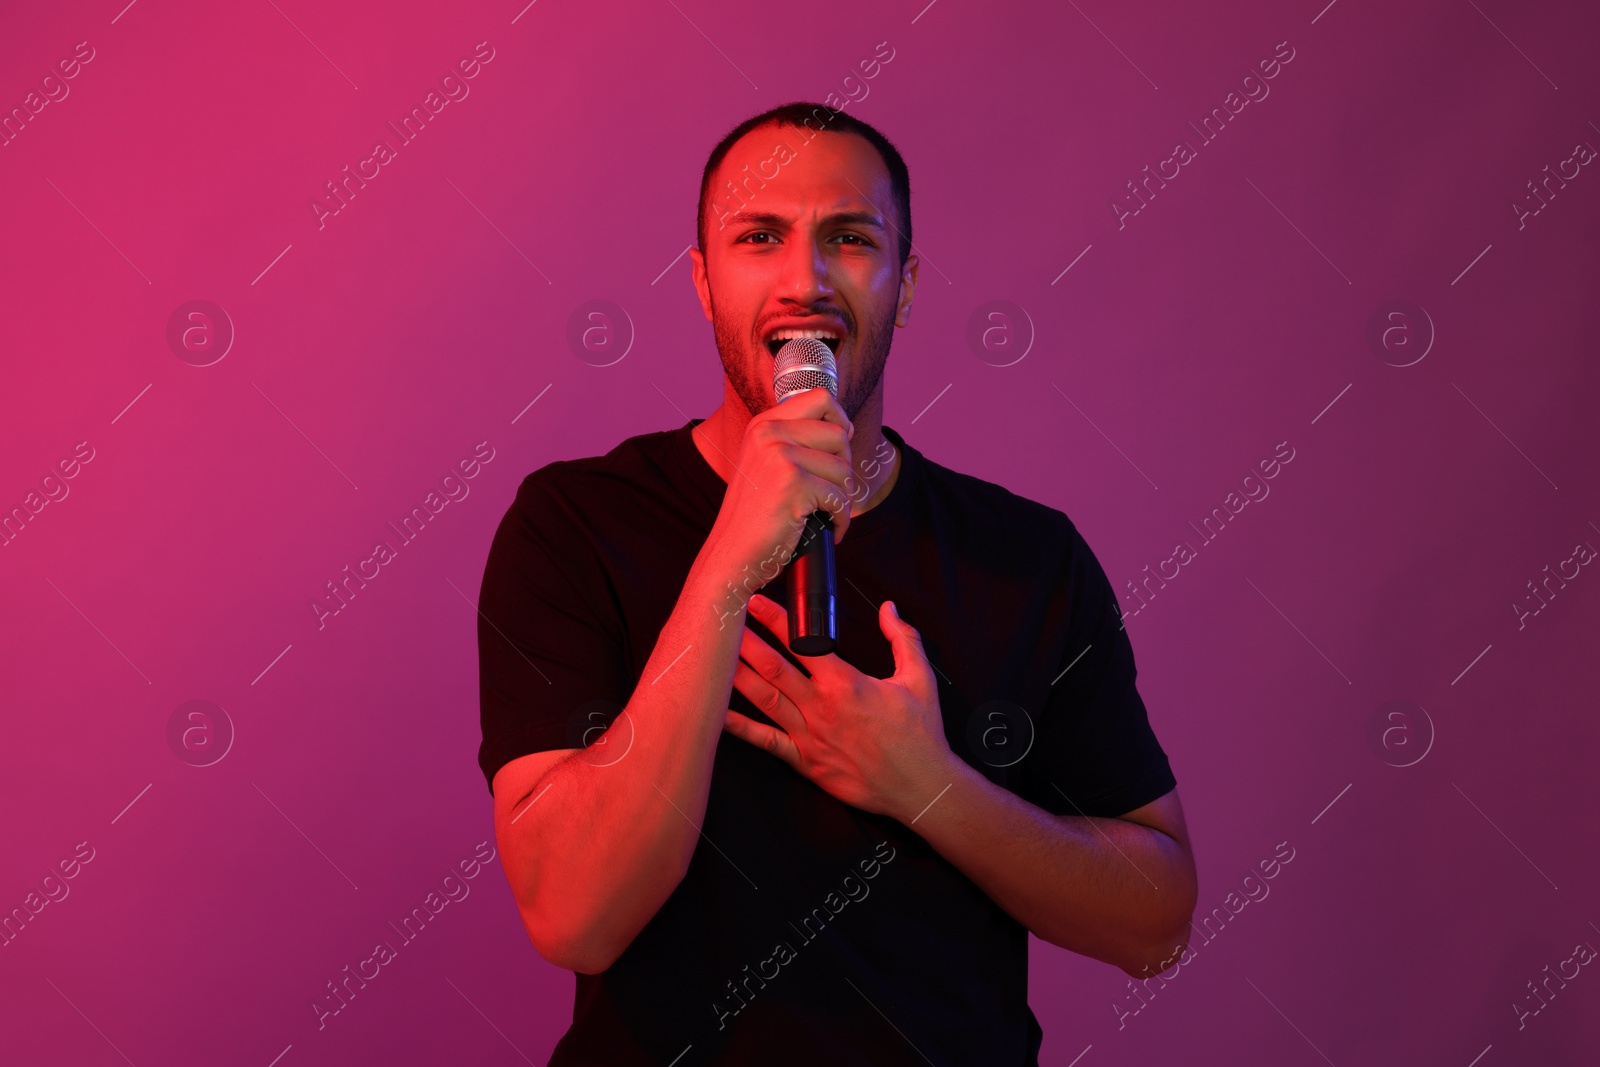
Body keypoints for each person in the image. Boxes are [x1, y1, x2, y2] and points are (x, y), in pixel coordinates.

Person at [477, 101, 1197, 1065]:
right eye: (759, 238)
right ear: (702, 282)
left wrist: (930, 787)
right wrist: (731, 562)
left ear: (903, 286)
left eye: (850, 239)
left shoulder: (1027, 556)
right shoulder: (572, 526)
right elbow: (573, 916)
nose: (805, 280)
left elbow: (1155, 925)